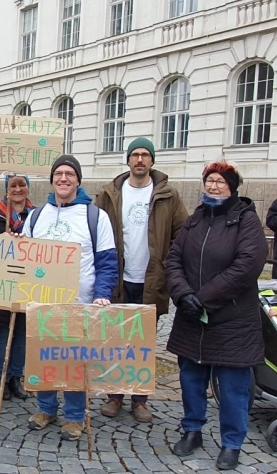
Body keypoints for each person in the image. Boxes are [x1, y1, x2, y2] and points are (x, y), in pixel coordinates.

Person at [166, 161, 267, 471]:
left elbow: (247, 266)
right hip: (191, 317)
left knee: (234, 386)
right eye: (209, 180)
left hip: (232, 319)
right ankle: (192, 429)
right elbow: (173, 259)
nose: (213, 186)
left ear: (232, 186)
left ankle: (232, 443)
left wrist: (204, 298)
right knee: (190, 379)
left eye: (220, 182)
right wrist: (183, 295)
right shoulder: (195, 219)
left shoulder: (246, 221)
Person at [22, 155, 117, 442]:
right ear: (51, 180)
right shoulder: (37, 215)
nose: (63, 179)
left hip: (80, 303)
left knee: (75, 362)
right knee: (45, 358)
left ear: (78, 180)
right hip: (43, 303)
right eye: (58, 174)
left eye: (69, 174)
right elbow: (23, 256)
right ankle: (46, 408)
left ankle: (75, 416)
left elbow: (108, 261)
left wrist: (102, 294)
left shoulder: (95, 216)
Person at [93, 137, 188, 423]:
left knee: (142, 342)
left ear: (152, 161)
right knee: (115, 340)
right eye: (135, 155)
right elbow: (93, 226)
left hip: (150, 280)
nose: (139, 160)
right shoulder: (110, 194)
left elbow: (181, 234)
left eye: (145, 155)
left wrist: (167, 265)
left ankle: (140, 400)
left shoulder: (168, 195)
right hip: (118, 279)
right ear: (128, 160)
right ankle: (114, 395)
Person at [0, 174, 35, 401]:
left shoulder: (36, 214)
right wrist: (1, 239)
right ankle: (1, 379)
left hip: (28, 281)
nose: (18, 189)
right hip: (2, 282)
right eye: (13, 185)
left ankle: (16, 378)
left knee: (21, 332)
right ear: (6, 189)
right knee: (4, 331)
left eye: (22, 185)